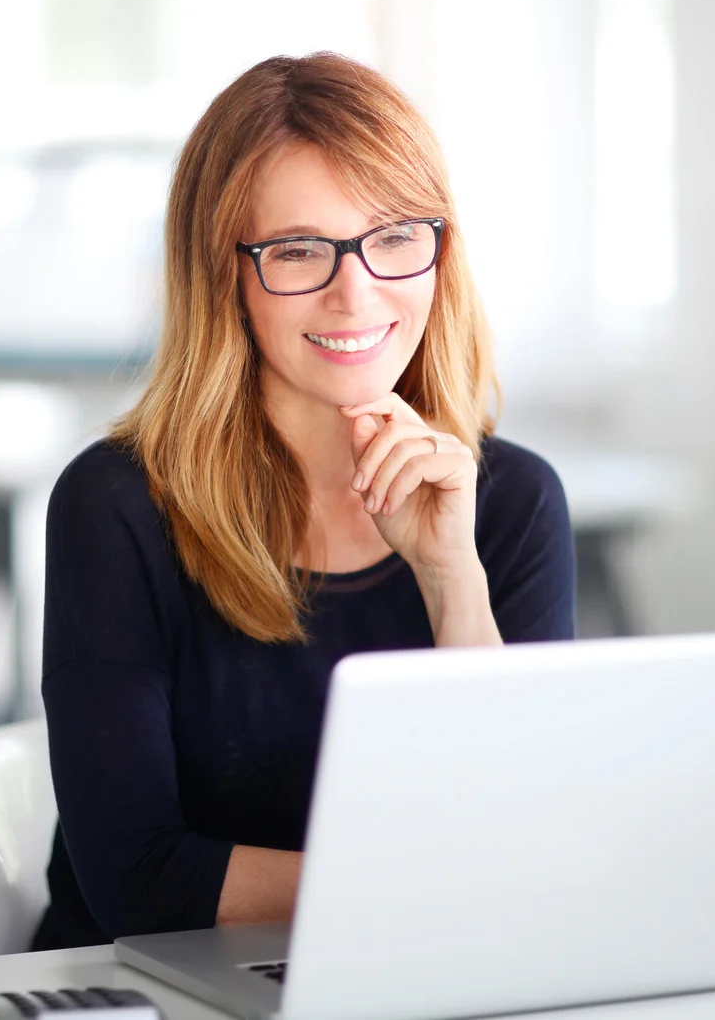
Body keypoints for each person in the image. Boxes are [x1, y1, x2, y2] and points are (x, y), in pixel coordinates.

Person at [31, 52, 576, 950]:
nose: (354, 290)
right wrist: (422, 887)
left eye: (395, 236)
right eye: (296, 250)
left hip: (412, 977)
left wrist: (452, 579)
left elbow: (527, 839)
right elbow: (139, 879)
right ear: (224, 276)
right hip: (148, 989)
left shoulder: (510, 501)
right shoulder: (116, 507)